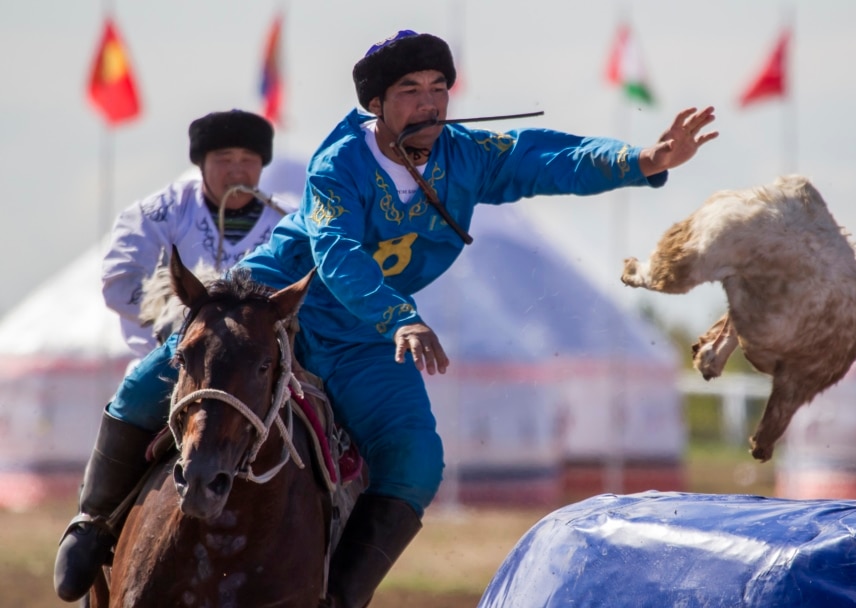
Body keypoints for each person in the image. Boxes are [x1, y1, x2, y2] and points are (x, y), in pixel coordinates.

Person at [54, 30, 717, 606]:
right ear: (376, 105)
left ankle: (338, 593)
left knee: (417, 460)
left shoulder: (466, 156)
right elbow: (337, 255)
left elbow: (542, 156)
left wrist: (643, 162)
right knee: (148, 381)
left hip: (362, 339)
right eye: (409, 91)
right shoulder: (338, 166)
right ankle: (89, 524)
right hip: (275, 304)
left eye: (438, 89)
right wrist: (400, 314)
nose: (429, 103)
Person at [101, 109, 294, 358]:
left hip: (266, 358)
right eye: (224, 159)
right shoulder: (156, 214)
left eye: (248, 159)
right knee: (133, 396)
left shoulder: (290, 221)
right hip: (173, 355)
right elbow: (119, 282)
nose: (237, 171)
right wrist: (176, 311)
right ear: (201, 163)